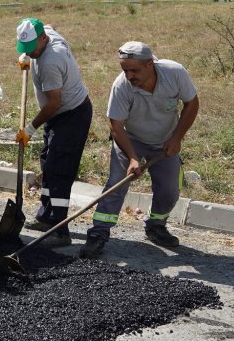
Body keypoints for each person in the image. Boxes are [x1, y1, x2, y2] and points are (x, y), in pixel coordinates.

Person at [80, 41, 199, 260]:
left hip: (164, 142)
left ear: (150, 64)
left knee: (169, 189)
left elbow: (192, 104)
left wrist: (177, 138)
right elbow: (116, 125)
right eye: (125, 70)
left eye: (134, 70)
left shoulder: (175, 73)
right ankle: (98, 233)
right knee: (117, 183)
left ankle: (156, 226)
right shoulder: (122, 86)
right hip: (130, 139)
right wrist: (133, 158)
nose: (129, 75)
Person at [14, 18, 92, 239]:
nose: (30, 53)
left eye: (32, 49)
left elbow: (53, 103)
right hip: (58, 114)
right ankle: (46, 217)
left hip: (71, 114)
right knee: (48, 164)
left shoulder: (50, 61)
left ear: (44, 39)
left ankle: (59, 227)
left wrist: (30, 128)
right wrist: (27, 56)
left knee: (60, 169)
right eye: (25, 49)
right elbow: (49, 24)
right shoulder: (47, 33)